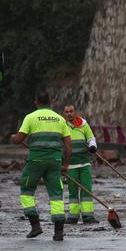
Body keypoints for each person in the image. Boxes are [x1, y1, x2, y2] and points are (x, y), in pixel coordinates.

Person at [10, 91, 72, 241]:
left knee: (26, 191)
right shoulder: (59, 119)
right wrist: (65, 165)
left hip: (35, 162)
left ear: (36, 102)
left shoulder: (30, 117)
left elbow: (19, 139)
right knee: (56, 195)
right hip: (54, 162)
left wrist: (13, 138)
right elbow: (68, 146)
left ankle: (35, 226)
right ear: (51, 101)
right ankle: (58, 232)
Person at [63, 105, 98, 224]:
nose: (69, 114)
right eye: (67, 112)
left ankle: (88, 216)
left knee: (87, 190)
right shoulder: (62, 125)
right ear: (64, 113)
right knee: (72, 191)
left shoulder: (83, 124)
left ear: (75, 112)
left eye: (71, 111)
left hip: (84, 163)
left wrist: (92, 146)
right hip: (71, 164)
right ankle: (73, 216)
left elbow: (91, 137)